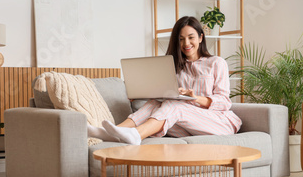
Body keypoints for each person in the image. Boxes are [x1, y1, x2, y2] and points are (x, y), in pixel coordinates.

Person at [87, 15, 241, 145]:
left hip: (217, 123)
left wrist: (195, 98)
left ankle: (135, 135)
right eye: (181, 39)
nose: (186, 43)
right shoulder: (176, 67)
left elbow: (224, 102)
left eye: (191, 37)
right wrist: (141, 92)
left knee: (175, 106)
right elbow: (167, 96)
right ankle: (114, 131)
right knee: (156, 103)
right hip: (187, 124)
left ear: (201, 38)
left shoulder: (216, 63)